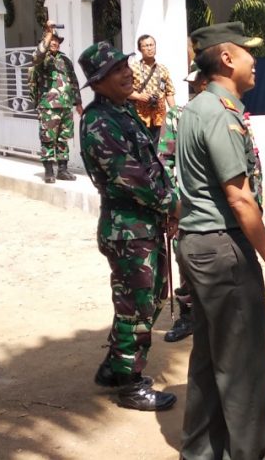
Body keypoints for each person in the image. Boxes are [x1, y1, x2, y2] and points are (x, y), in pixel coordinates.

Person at [176, 22, 265, 458]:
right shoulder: (222, 113)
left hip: (198, 243)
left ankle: (201, 452)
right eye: (247, 52)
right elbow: (239, 197)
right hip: (222, 248)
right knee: (242, 366)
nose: (254, 60)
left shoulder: (193, 108)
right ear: (226, 58)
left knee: (209, 359)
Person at [78, 41, 179, 412]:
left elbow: (150, 165)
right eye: (115, 70)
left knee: (147, 301)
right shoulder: (99, 120)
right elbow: (127, 176)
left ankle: (113, 367)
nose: (126, 72)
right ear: (98, 82)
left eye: (125, 65)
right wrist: (172, 203)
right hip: (127, 231)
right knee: (136, 308)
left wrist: (165, 207)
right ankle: (130, 383)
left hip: (143, 226)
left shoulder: (124, 112)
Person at [160, 64, 207, 344]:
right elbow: (164, 162)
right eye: (200, 82)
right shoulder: (178, 116)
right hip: (188, 207)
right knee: (186, 259)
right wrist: (171, 206)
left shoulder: (232, 113)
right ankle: (188, 315)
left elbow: (253, 164)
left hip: (225, 209)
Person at [30, 20, 82, 184]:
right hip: (49, 106)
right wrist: (48, 32)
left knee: (63, 138)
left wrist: (78, 102)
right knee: (48, 139)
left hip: (65, 105)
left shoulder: (65, 60)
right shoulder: (41, 59)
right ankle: (49, 171)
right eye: (52, 40)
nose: (54, 43)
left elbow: (73, 81)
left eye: (57, 41)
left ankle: (63, 170)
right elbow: (37, 55)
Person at [128, 34, 175, 138]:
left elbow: (169, 92)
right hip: (140, 117)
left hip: (160, 117)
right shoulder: (133, 68)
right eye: (146, 46)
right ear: (140, 49)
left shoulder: (163, 69)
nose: (150, 48)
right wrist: (138, 96)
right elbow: (124, 91)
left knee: (161, 149)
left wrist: (174, 111)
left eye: (151, 45)